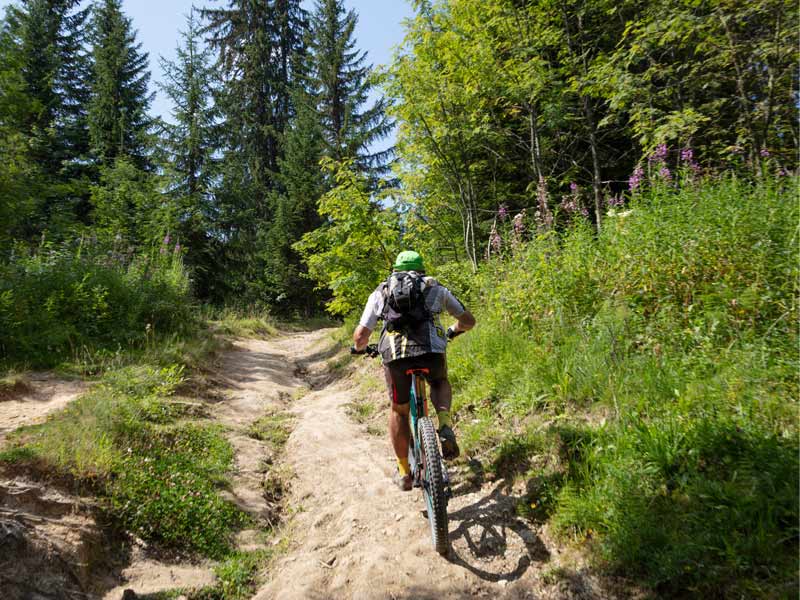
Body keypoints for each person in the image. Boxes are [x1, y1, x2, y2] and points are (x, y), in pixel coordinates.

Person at [352, 250, 476, 491]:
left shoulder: (382, 291)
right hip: (432, 352)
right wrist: (453, 331)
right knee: (439, 382)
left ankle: (404, 471)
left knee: (399, 410)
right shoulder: (435, 287)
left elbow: (360, 336)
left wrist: (360, 349)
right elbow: (468, 321)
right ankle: (444, 424)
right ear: (421, 269)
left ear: (395, 270)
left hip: (396, 357)